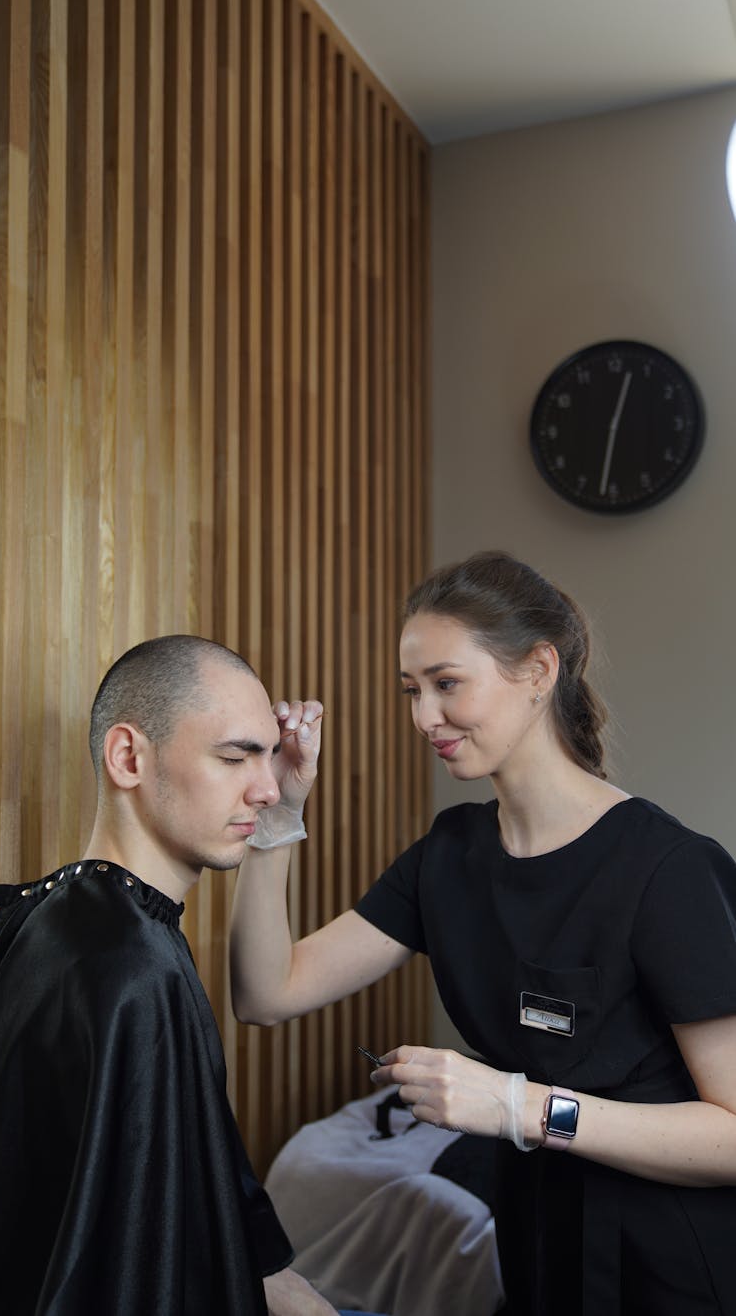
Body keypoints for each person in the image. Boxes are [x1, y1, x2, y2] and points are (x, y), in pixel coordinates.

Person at [230, 551, 736, 1316]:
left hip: (674, 1270)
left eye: (446, 684)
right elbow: (266, 993)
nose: (423, 717)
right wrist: (275, 819)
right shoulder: (450, 858)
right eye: (412, 691)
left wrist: (512, 1105)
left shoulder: (669, 870)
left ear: (538, 670)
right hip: (536, 1253)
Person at [0, 634, 348, 1316]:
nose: (267, 787)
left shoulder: (57, 915)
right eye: (236, 756)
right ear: (129, 757)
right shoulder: (133, 975)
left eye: (271, 756)